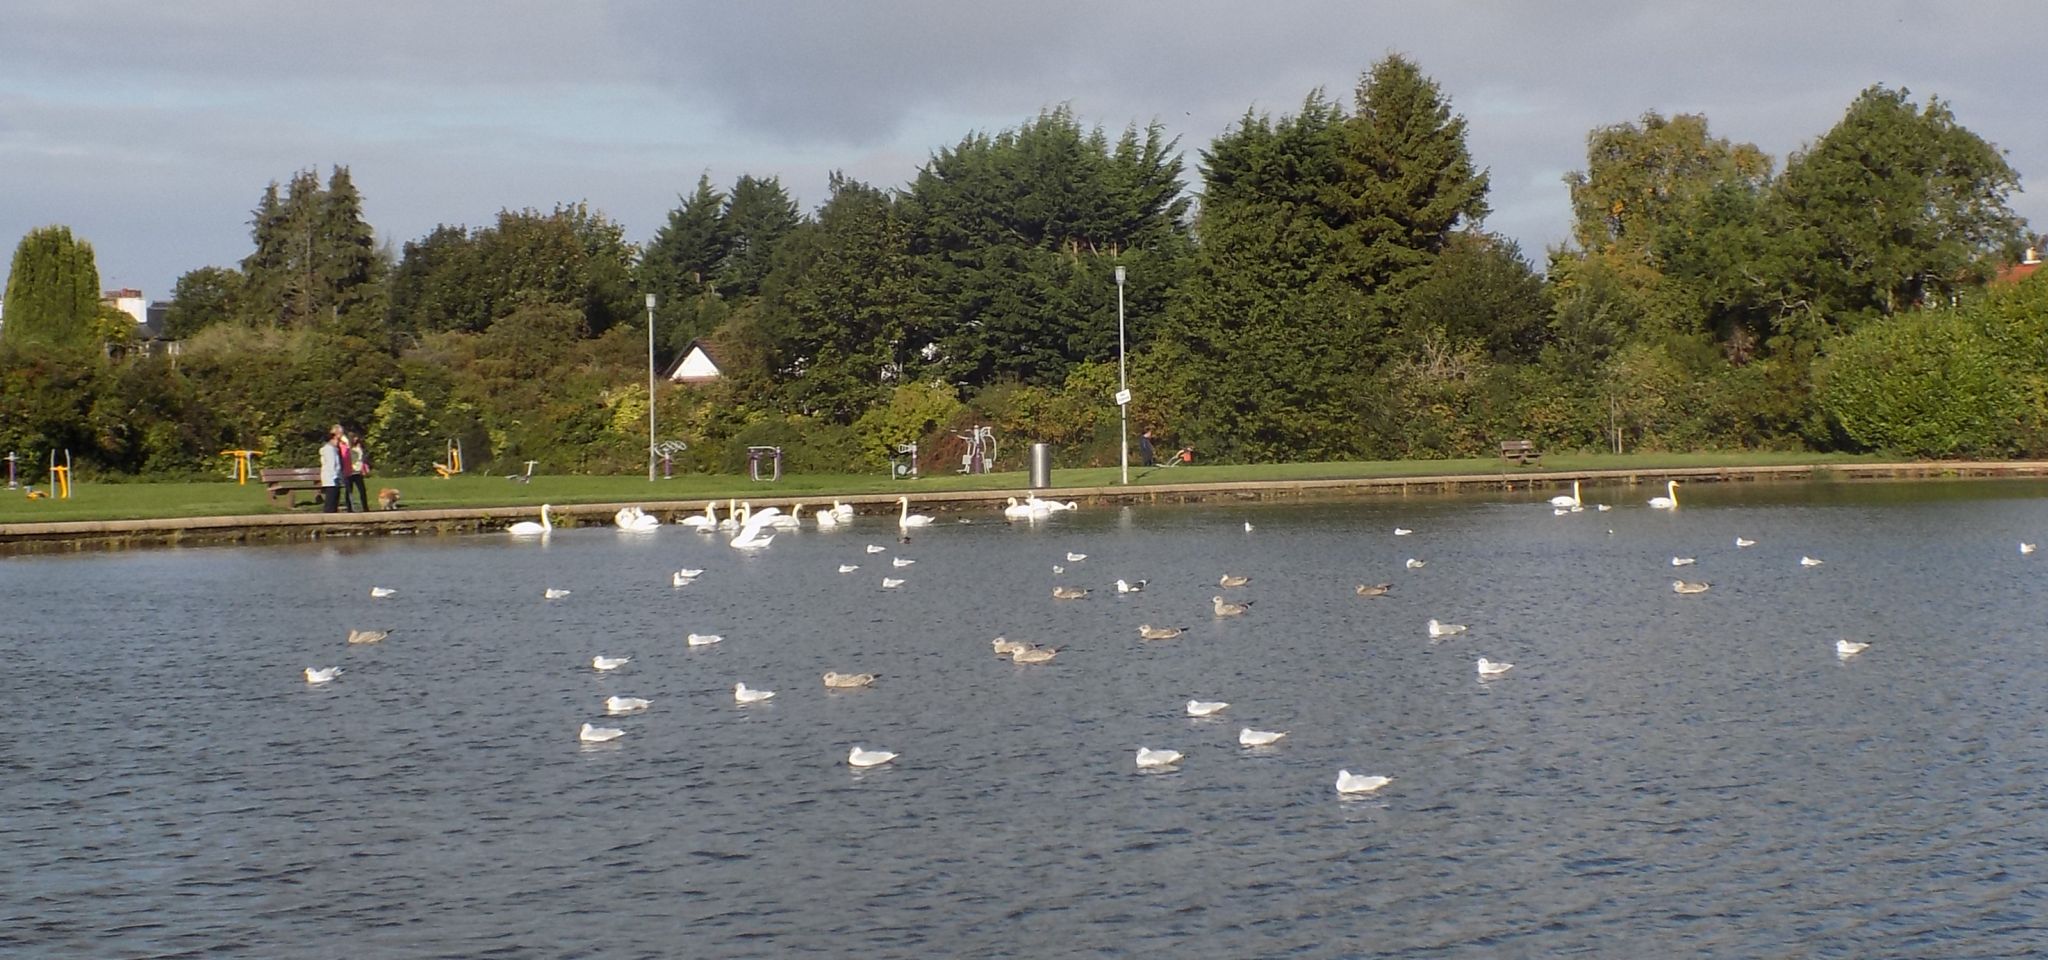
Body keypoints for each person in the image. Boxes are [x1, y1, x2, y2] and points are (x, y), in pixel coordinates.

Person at [344, 431, 371, 514]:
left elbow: (361, 458)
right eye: (354, 438)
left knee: (362, 490)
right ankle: (349, 508)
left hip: (358, 472)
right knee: (349, 490)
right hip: (350, 472)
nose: (356, 439)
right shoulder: (348, 449)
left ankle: (365, 507)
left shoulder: (359, 448)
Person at [318, 428, 343, 514]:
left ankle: (333, 514)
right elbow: (331, 464)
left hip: (335, 477)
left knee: (335, 498)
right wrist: (335, 476)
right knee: (331, 499)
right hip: (331, 478)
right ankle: (328, 515)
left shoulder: (334, 449)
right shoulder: (329, 449)